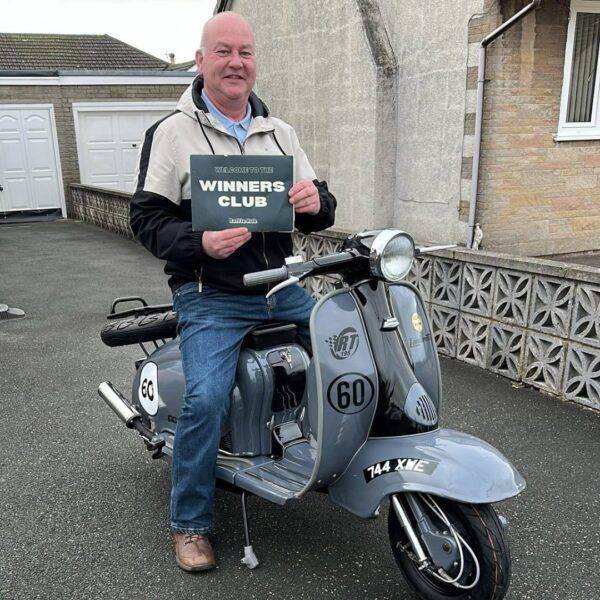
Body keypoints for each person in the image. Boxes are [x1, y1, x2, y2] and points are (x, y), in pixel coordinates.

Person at [130, 12, 336, 572]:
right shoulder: (171, 133)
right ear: (201, 61)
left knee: (347, 355)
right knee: (206, 398)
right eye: (223, 52)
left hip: (281, 285)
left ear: (255, 62)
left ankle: (344, 460)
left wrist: (316, 205)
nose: (235, 62)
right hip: (211, 294)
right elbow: (146, 220)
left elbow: (321, 205)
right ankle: (190, 524)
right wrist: (200, 243)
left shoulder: (281, 132)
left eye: (244, 52)